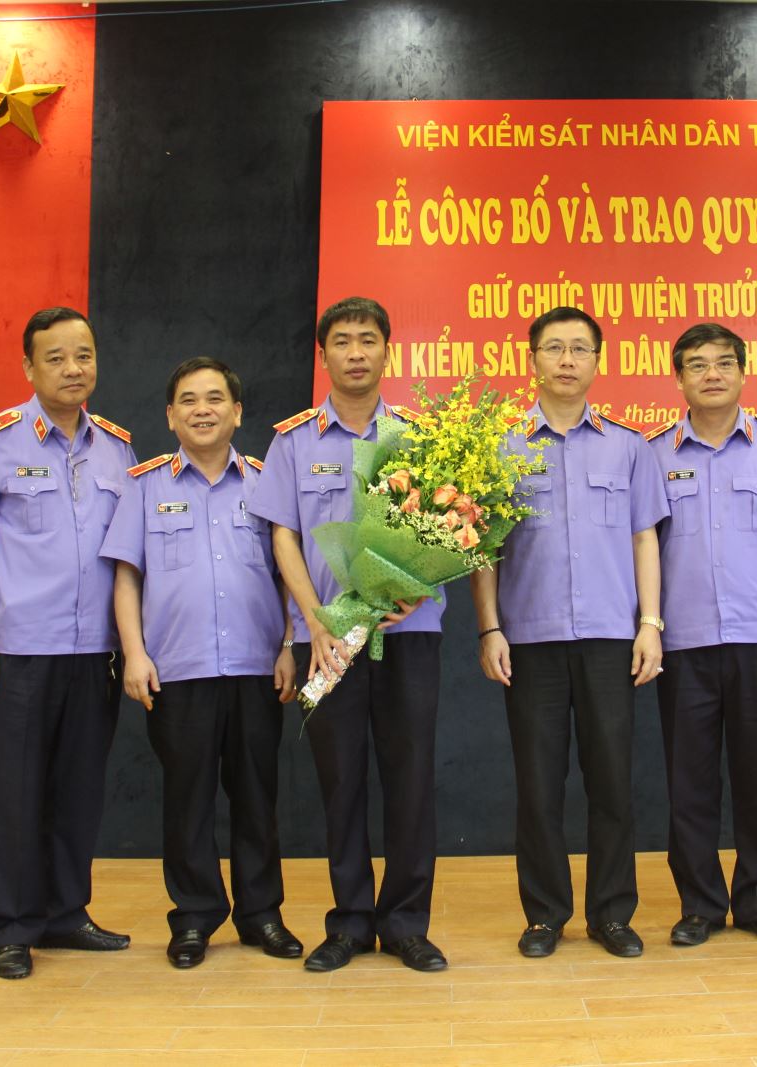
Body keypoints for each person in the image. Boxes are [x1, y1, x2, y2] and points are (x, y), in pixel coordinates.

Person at [248, 297, 448, 974]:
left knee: (411, 778)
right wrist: (311, 619)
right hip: (329, 639)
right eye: (342, 340)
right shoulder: (293, 442)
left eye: (368, 339)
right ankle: (351, 922)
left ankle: (407, 923)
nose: (356, 352)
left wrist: (418, 585)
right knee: (341, 780)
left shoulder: (422, 437)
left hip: (409, 630)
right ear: (323, 354)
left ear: (388, 350)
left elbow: (454, 526)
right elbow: (282, 534)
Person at [0, 307, 136, 980]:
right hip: (19, 649)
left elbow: (128, 555)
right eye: (56, 358)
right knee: (15, 794)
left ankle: (65, 912)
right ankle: (11, 926)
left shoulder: (117, 447)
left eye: (84, 355)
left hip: (95, 651)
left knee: (77, 791)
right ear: (28, 367)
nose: (73, 369)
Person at [470, 305, 668, 959]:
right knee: (538, 784)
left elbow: (644, 538)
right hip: (530, 638)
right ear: (532, 360)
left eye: (579, 348)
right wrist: (490, 627)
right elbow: (483, 548)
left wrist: (650, 623)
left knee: (612, 780)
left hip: (612, 636)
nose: (566, 359)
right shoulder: (501, 448)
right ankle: (544, 915)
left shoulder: (628, 446)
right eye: (553, 347)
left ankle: (612, 913)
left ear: (597, 362)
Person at [100, 357, 302, 970]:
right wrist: (134, 653)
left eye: (215, 398)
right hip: (177, 670)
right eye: (188, 400)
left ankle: (262, 915)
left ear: (237, 412)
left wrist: (288, 645)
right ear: (170, 415)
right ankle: (193, 917)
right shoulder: (144, 485)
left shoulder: (266, 483)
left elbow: (288, 576)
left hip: (255, 668)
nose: (202, 410)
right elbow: (126, 576)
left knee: (256, 796)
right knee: (186, 800)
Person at [644, 322, 757, 949]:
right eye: (697, 365)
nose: (712, 374)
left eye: (724, 363)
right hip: (683, 643)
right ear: (678, 379)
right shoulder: (654, 454)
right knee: (689, 782)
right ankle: (699, 904)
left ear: (744, 373)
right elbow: (642, 549)